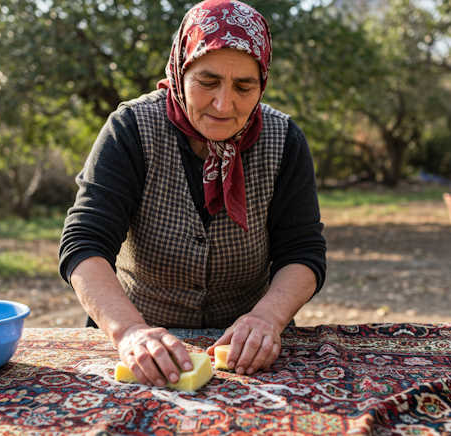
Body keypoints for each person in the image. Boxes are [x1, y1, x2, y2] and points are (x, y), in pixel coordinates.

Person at [59, 0, 325, 389]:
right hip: (140, 338)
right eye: (207, 81)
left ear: (262, 82)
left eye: (244, 86)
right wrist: (130, 331)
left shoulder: (283, 139)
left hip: (245, 348)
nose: (224, 103)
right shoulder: (131, 129)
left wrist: (267, 318)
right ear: (181, 70)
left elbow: (303, 252)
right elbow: (84, 244)